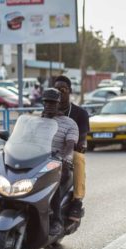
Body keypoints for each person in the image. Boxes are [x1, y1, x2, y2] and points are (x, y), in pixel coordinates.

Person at [40, 88, 80, 236]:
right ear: (43, 103)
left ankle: (56, 220)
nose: (49, 105)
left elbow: (70, 145)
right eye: (47, 102)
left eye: (53, 103)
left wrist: (66, 158)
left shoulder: (69, 124)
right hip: (36, 162)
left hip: (57, 163)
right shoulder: (36, 122)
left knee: (53, 182)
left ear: (58, 103)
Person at [53, 75, 89, 221]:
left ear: (70, 91)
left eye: (63, 89)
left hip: (70, 152)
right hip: (49, 151)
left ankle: (77, 201)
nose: (60, 93)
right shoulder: (48, 110)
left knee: (79, 158)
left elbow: (82, 137)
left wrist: (76, 146)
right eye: (56, 90)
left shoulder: (80, 113)